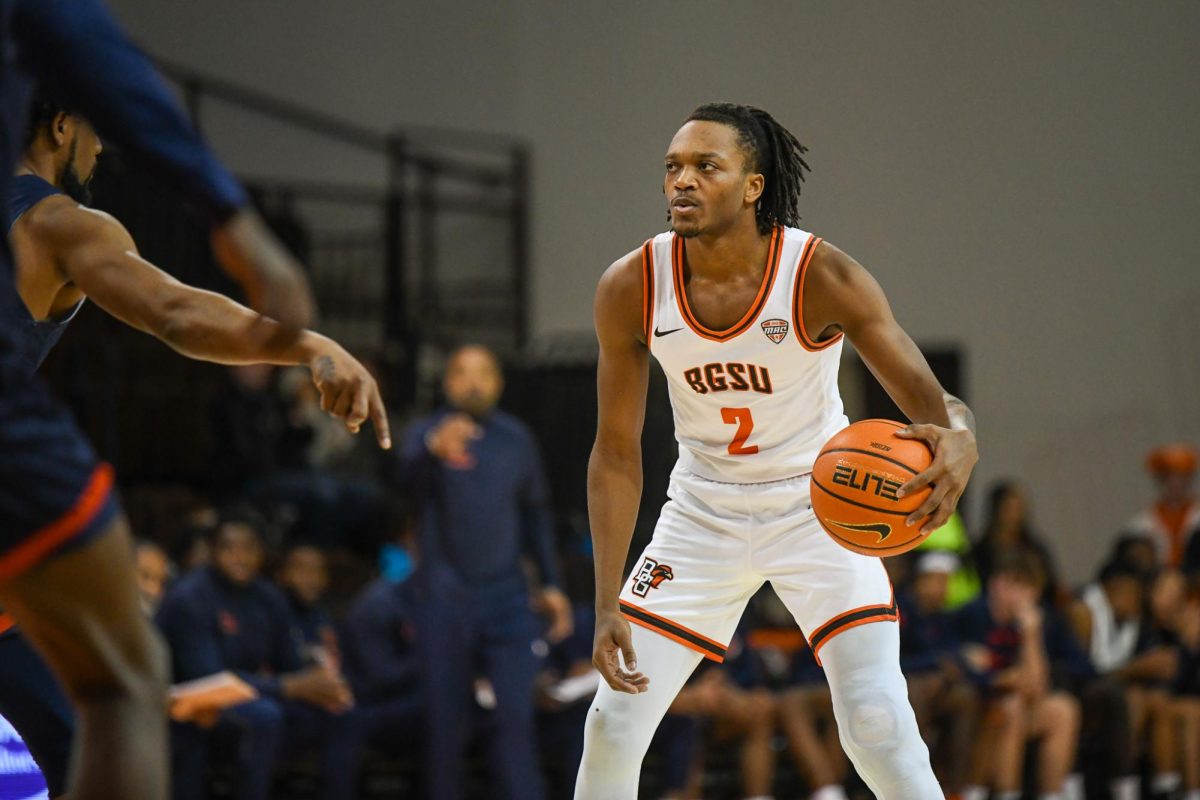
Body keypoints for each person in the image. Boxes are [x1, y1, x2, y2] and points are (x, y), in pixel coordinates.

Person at [575, 103, 978, 799]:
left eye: (706, 167)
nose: (682, 182)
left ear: (754, 185)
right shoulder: (631, 285)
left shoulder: (820, 274)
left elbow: (936, 405)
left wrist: (962, 439)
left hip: (819, 508)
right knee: (612, 724)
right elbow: (615, 454)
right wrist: (606, 597)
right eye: (672, 168)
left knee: (876, 725)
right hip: (701, 514)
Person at [0, 87, 392, 797]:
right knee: (121, 696)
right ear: (60, 126)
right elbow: (174, 311)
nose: (102, 146)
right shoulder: (56, 222)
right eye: (93, 128)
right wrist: (307, 345)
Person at [397, 343, 572, 800]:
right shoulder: (425, 434)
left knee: (515, 721)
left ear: (498, 382)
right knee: (445, 726)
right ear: (447, 382)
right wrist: (433, 452)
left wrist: (552, 584)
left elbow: (536, 515)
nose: (473, 382)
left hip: (508, 597)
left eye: (484, 373)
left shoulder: (517, 439)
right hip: (444, 597)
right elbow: (398, 486)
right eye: (461, 373)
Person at [156, 511, 365, 800]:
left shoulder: (268, 597)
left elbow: (289, 665)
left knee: (344, 714)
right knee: (265, 717)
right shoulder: (191, 597)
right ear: (213, 552)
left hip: (251, 696)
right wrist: (290, 686)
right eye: (228, 548)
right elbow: (207, 679)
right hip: (189, 707)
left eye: (248, 548)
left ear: (262, 553)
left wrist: (320, 685)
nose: (239, 557)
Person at [970, 480, 1062, 605]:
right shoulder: (980, 551)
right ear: (996, 510)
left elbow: (1052, 587)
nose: (1014, 515)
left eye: (1019, 508)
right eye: (1009, 508)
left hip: (1035, 607)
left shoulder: (1035, 549)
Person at [1125, 444, 1200, 571]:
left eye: (1182, 478)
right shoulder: (1141, 525)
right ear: (1160, 481)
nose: (1176, 484)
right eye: (1170, 478)